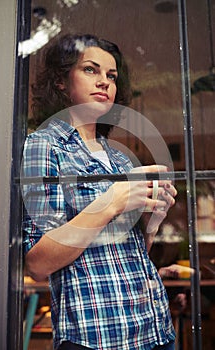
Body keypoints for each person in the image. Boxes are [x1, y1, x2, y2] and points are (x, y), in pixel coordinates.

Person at [22, 33, 177, 350]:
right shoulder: (45, 145)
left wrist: (151, 219)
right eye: (90, 70)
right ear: (62, 81)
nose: (104, 82)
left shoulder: (118, 156)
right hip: (94, 336)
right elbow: (37, 264)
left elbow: (124, 255)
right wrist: (113, 201)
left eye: (112, 75)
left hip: (154, 327)